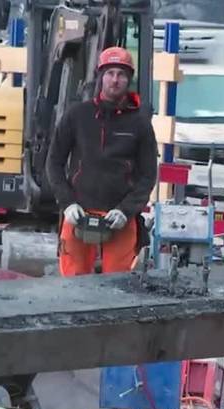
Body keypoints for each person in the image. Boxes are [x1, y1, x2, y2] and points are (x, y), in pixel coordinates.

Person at [47, 46, 158, 277]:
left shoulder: (140, 124)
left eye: (121, 74)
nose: (115, 80)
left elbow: (148, 176)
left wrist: (126, 211)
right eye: (110, 73)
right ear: (100, 76)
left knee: (118, 287)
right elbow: (54, 163)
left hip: (119, 218)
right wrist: (67, 203)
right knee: (73, 282)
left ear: (129, 80)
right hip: (78, 214)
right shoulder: (77, 115)